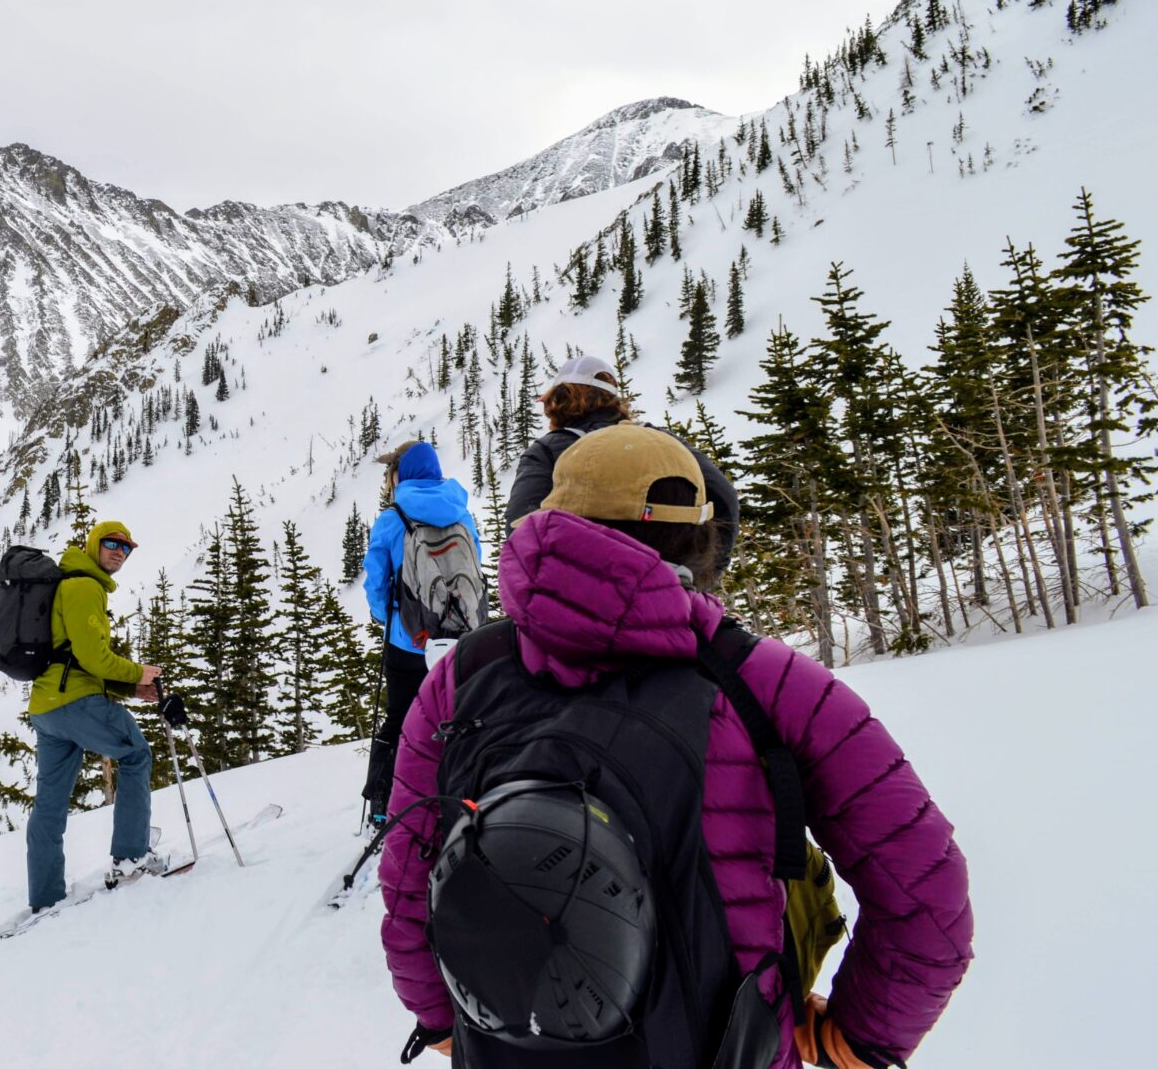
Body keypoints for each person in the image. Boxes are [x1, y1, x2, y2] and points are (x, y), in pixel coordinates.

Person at [379, 425, 972, 1066]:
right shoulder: (760, 681)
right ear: (696, 538)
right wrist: (859, 1037)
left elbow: (410, 873)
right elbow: (925, 894)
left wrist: (440, 1016)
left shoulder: (461, 676)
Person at [26, 520, 167, 912]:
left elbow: (74, 659)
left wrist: (129, 689)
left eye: (126, 548)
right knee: (136, 755)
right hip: (75, 702)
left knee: (50, 804)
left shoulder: (71, 583)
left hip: (48, 707)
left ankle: (44, 895)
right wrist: (139, 673)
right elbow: (93, 658)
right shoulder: (84, 586)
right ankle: (131, 860)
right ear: (94, 544)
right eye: (111, 544)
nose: (119, 552)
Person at [507, 353, 739, 581]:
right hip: (670, 590)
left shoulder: (548, 450)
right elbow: (724, 497)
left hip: (590, 593)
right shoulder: (661, 440)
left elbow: (521, 531)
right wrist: (704, 577)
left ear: (557, 401)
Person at [360, 439, 479, 827]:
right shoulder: (462, 512)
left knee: (401, 717)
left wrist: (386, 618)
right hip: (458, 639)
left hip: (409, 640)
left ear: (402, 475)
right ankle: (463, 793)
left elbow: (377, 581)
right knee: (455, 715)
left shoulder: (393, 517)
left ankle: (383, 802)